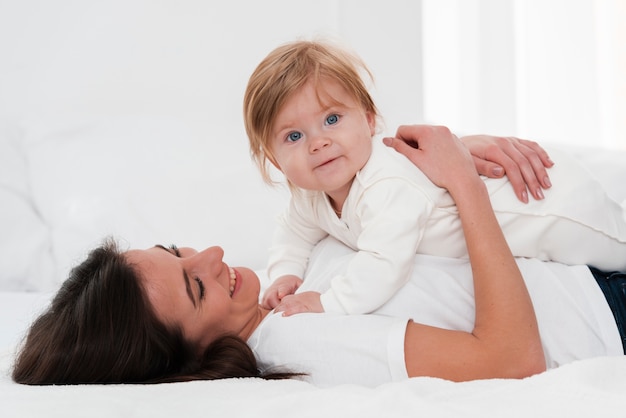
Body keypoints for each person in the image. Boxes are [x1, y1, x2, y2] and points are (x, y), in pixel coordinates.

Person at [12, 127, 625, 387]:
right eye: (194, 287)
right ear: (191, 363)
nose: (213, 255)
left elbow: (378, 218)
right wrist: (464, 185)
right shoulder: (302, 342)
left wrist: (454, 155)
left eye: (179, 252)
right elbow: (508, 358)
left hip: (588, 275)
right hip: (607, 315)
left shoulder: (279, 293)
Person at [243, 40, 626, 316]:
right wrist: (285, 276)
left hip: (551, 206)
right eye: (294, 136)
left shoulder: (385, 180)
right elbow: (292, 235)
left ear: (369, 120)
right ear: (275, 162)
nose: (319, 143)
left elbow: (384, 263)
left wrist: (325, 303)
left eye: (332, 119)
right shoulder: (308, 197)